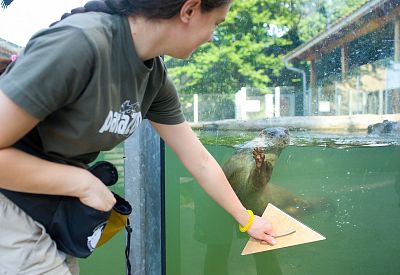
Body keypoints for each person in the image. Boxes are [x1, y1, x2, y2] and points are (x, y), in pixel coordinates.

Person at [0, 0, 276, 274]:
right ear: (189, 10)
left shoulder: (154, 78)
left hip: (52, 210)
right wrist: (82, 183)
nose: (212, 36)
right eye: (216, 23)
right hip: (11, 203)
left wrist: (248, 220)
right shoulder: (79, 44)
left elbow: (200, 160)